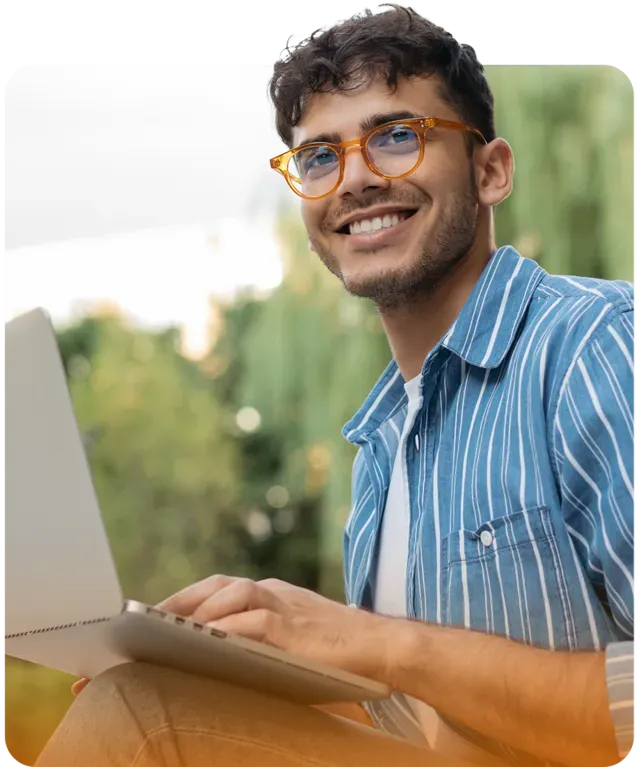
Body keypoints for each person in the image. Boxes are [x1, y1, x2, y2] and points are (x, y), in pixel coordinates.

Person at [35, 6, 636, 767]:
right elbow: (419, 732)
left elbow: (404, 657)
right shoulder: (382, 450)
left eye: (396, 137)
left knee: (142, 713)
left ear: (491, 171)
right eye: (319, 156)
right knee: (150, 696)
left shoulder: (597, 346)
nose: (354, 179)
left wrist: (382, 643)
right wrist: (232, 675)